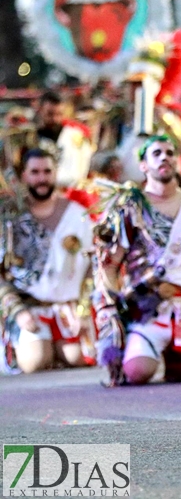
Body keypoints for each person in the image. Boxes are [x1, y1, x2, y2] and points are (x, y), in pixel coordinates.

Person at [92, 135, 181, 386]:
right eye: (156, 154)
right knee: (137, 372)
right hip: (147, 310)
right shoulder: (129, 208)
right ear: (143, 165)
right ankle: (146, 350)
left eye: (170, 152)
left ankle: (176, 358)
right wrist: (114, 316)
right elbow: (109, 265)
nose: (164, 157)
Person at [0, 149, 95, 374]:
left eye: (47, 171)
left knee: (80, 358)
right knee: (36, 362)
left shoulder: (78, 214)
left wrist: (83, 310)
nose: (41, 178)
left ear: (55, 173)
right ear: (24, 176)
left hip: (67, 308)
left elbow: (93, 265)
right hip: (27, 307)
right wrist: (16, 311)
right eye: (35, 172)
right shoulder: (9, 218)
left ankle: (58, 349)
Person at [36, 90, 95, 187]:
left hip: (71, 192)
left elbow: (80, 171)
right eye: (50, 114)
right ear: (40, 110)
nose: (55, 119)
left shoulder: (76, 136)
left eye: (59, 114)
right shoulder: (32, 139)